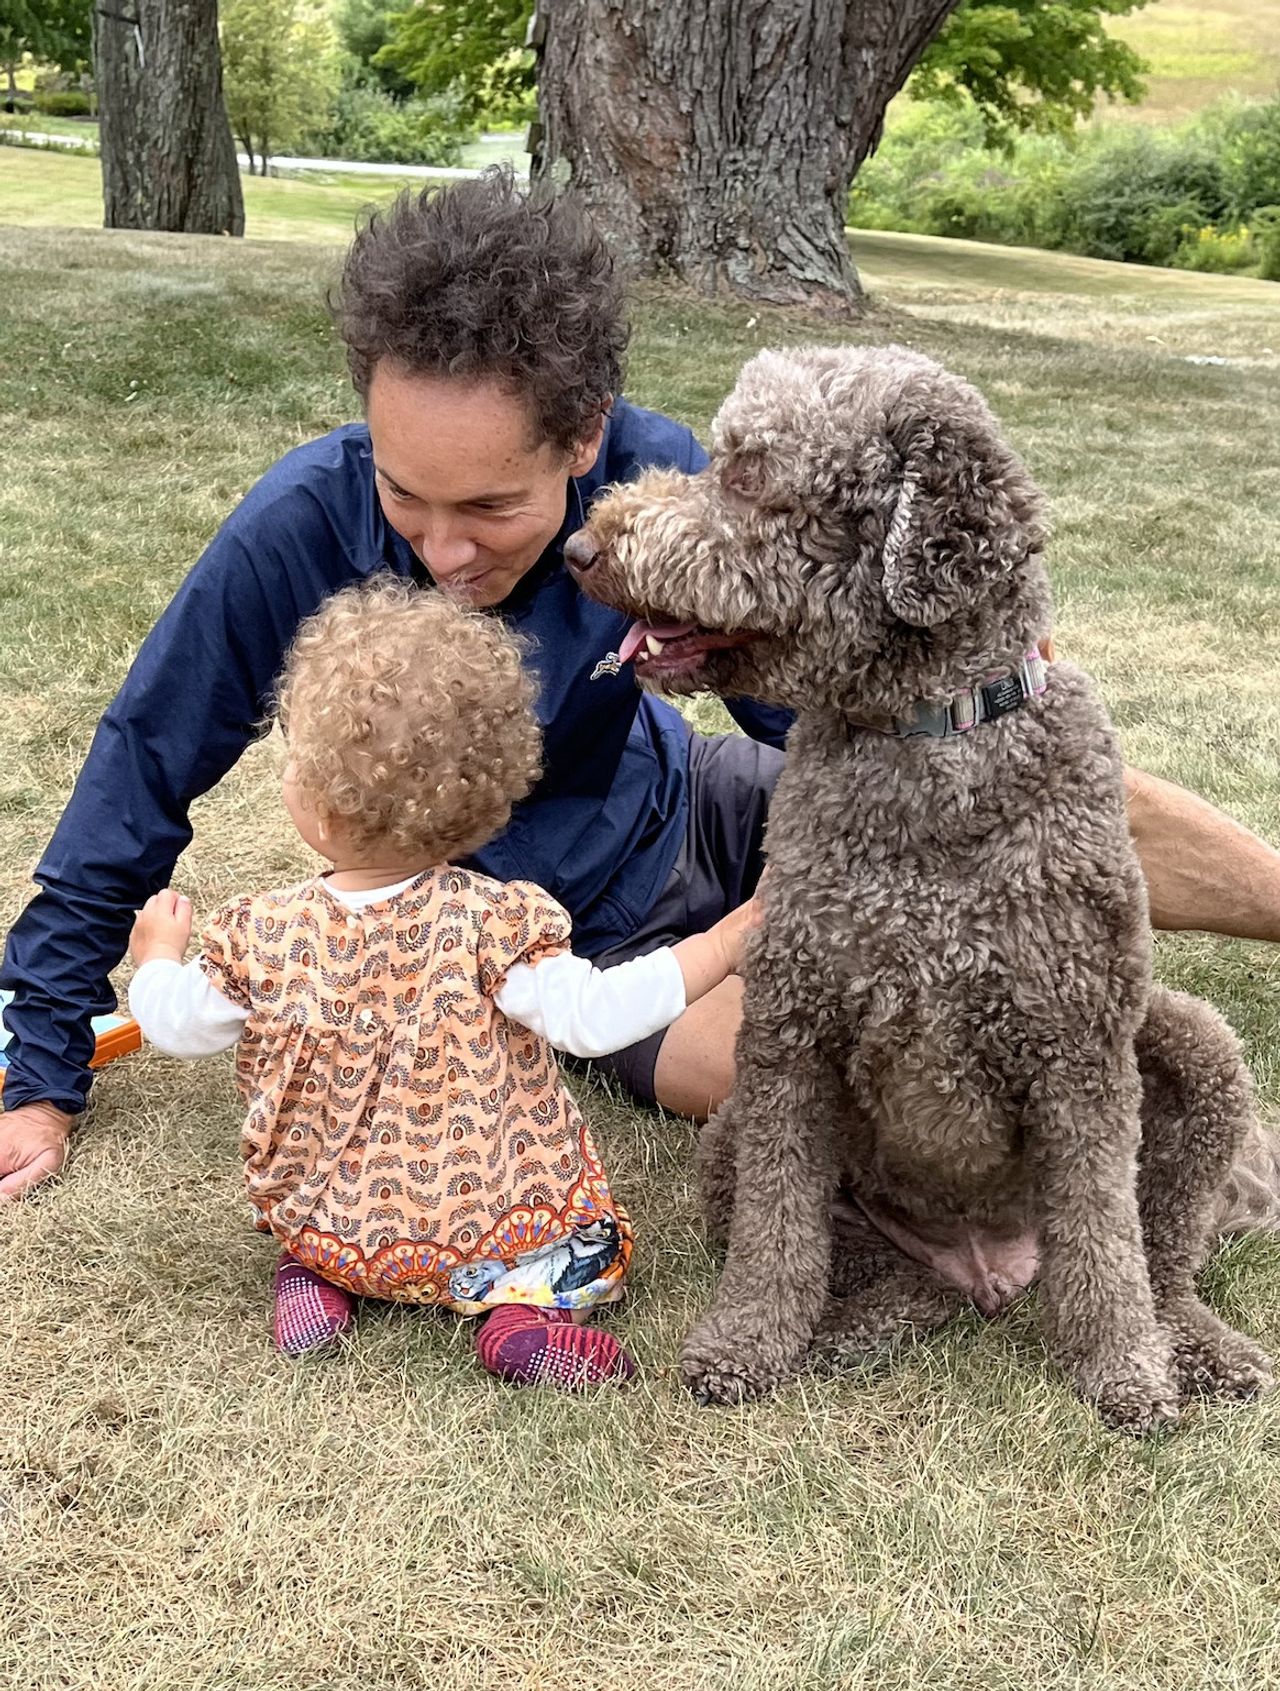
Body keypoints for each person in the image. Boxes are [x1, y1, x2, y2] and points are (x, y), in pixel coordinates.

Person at [3, 167, 1280, 1203]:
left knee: (1014, 765)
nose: (442, 551)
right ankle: (1130, 1074)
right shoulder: (293, 529)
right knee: (814, 1073)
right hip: (572, 953)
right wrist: (36, 1066)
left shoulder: (663, 491)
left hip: (702, 800)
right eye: (405, 496)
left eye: (492, 506)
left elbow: (853, 724)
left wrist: (948, 743)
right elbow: (138, 769)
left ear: (585, 436)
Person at [126, 577, 760, 1376]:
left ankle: (313, 1272)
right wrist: (730, 937)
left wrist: (155, 959)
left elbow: (179, 1026)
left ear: (317, 808)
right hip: (487, 1230)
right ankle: (520, 1317)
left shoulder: (263, 935)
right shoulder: (497, 924)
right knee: (564, 1241)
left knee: (310, 1209)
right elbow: (597, 1017)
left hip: (339, 1219)